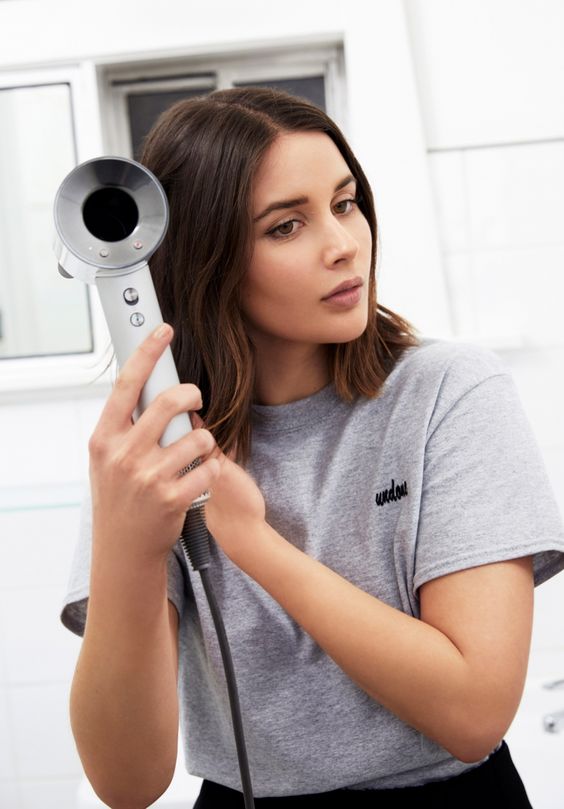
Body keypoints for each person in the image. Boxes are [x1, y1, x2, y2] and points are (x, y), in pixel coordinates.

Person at [61, 87, 564, 808]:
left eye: (346, 203)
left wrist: (252, 541)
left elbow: (474, 713)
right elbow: (126, 782)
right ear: (206, 258)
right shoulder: (148, 453)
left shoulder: (448, 393)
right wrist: (129, 543)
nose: (343, 244)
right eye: (287, 226)